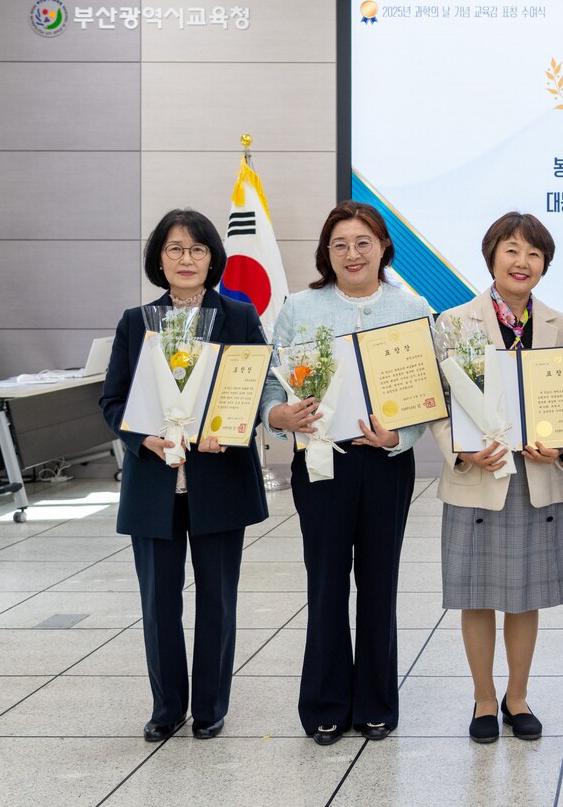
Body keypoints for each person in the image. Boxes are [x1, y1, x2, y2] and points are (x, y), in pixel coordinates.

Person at [260, 200, 432, 746]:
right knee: (327, 582)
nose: (352, 253)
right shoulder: (298, 310)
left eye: (363, 242)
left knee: (379, 582)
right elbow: (268, 385)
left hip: (384, 463)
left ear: (383, 247)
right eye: (340, 244)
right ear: (325, 254)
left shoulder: (413, 308)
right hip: (320, 463)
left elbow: (433, 395)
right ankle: (326, 704)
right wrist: (278, 416)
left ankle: (377, 703)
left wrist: (400, 437)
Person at [100, 209, 269, 742]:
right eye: (175, 249)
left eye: (197, 249)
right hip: (155, 483)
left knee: (217, 597)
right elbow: (112, 399)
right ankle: (166, 706)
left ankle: (211, 706)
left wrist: (232, 427)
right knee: (158, 601)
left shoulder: (238, 316)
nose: (186, 259)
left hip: (218, 478)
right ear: (159, 259)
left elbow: (255, 387)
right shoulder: (135, 321)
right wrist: (140, 437)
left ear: (213, 257)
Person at [430, 213, 563, 743]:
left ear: (544, 266)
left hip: (535, 478)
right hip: (479, 475)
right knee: (476, 594)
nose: (522, 262)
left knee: (525, 594)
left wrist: (562, 447)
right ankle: (484, 699)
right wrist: (464, 451)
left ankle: (518, 696)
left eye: (534, 254)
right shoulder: (453, 323)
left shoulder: (562, 326)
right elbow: (439, 406)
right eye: (512, 250)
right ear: (491, 256)